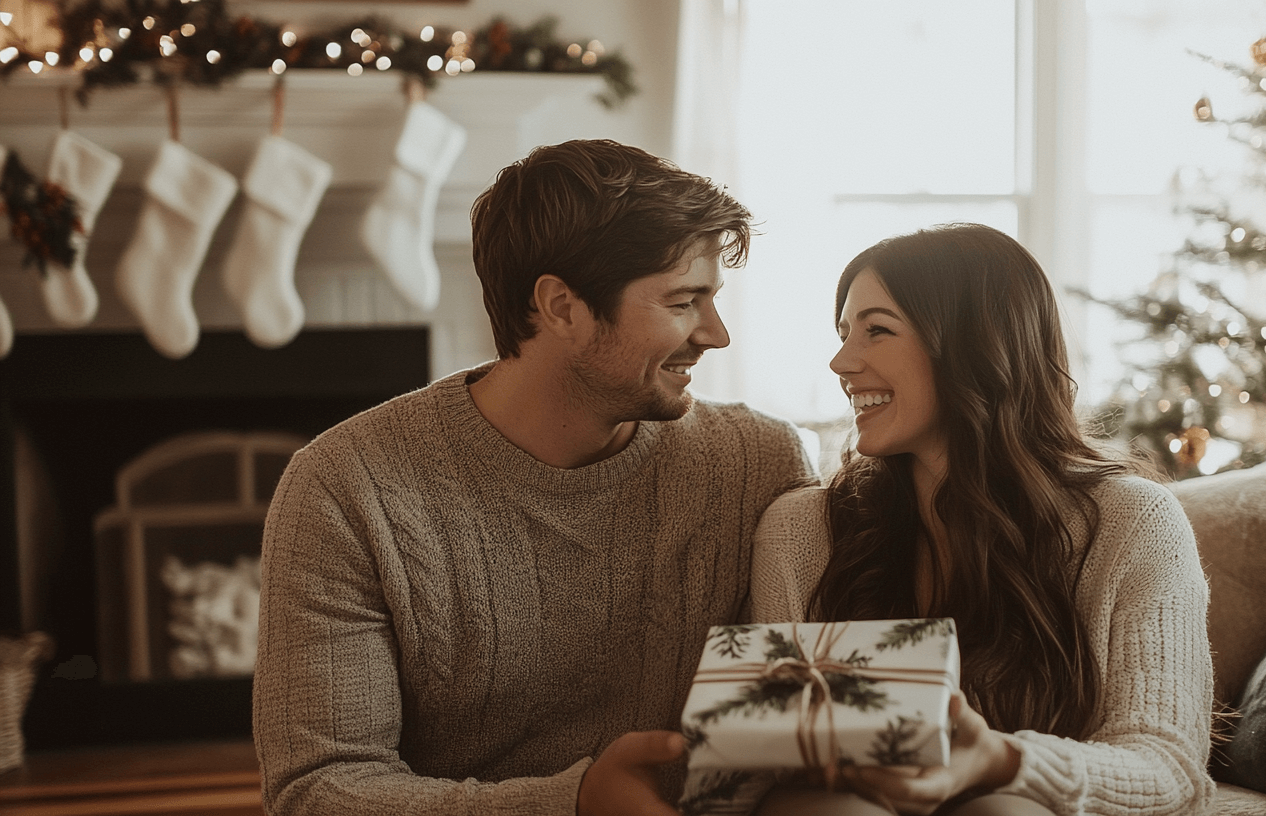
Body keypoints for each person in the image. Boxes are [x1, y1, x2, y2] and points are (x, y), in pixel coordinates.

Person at [252, 139, 815, 816]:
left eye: (712, 298)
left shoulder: (759, 464)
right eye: (683, 301)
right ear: (561, 307)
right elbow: (316, 791)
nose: (717, 334)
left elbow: (802, 726)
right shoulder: (347, 487)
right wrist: (570, 803)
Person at [748, 224, 1216, 815]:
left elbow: (1168, 767)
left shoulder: (1132, 522)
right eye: (844, 333)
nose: (842, 361)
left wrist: (1003, 761)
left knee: (1002, 809)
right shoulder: (800, 530)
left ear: (973, 345)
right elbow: (766, 757)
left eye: (877, 331)